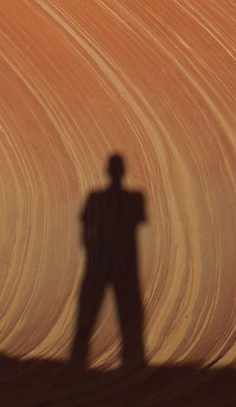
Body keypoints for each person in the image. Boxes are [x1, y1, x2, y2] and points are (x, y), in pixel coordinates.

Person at [70, 153, 147, 371]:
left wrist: (92, 252)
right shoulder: (133, 199)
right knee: (129, 314)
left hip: (102, 262)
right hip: (121, 263)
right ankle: (133, 361)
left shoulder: (98, 199)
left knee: (89, 313)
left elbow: (85, 231)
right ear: (122, 172)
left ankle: (78, 362)